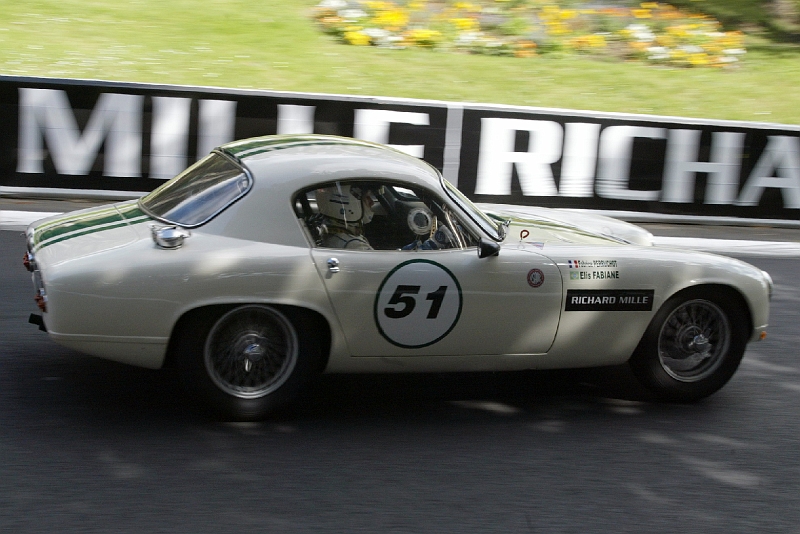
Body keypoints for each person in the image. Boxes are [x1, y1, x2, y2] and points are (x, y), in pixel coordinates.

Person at [315, 184, 375, 250]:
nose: (372, 202)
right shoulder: (356, 246)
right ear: (349, 203)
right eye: (366, 197)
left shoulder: (329, 231)